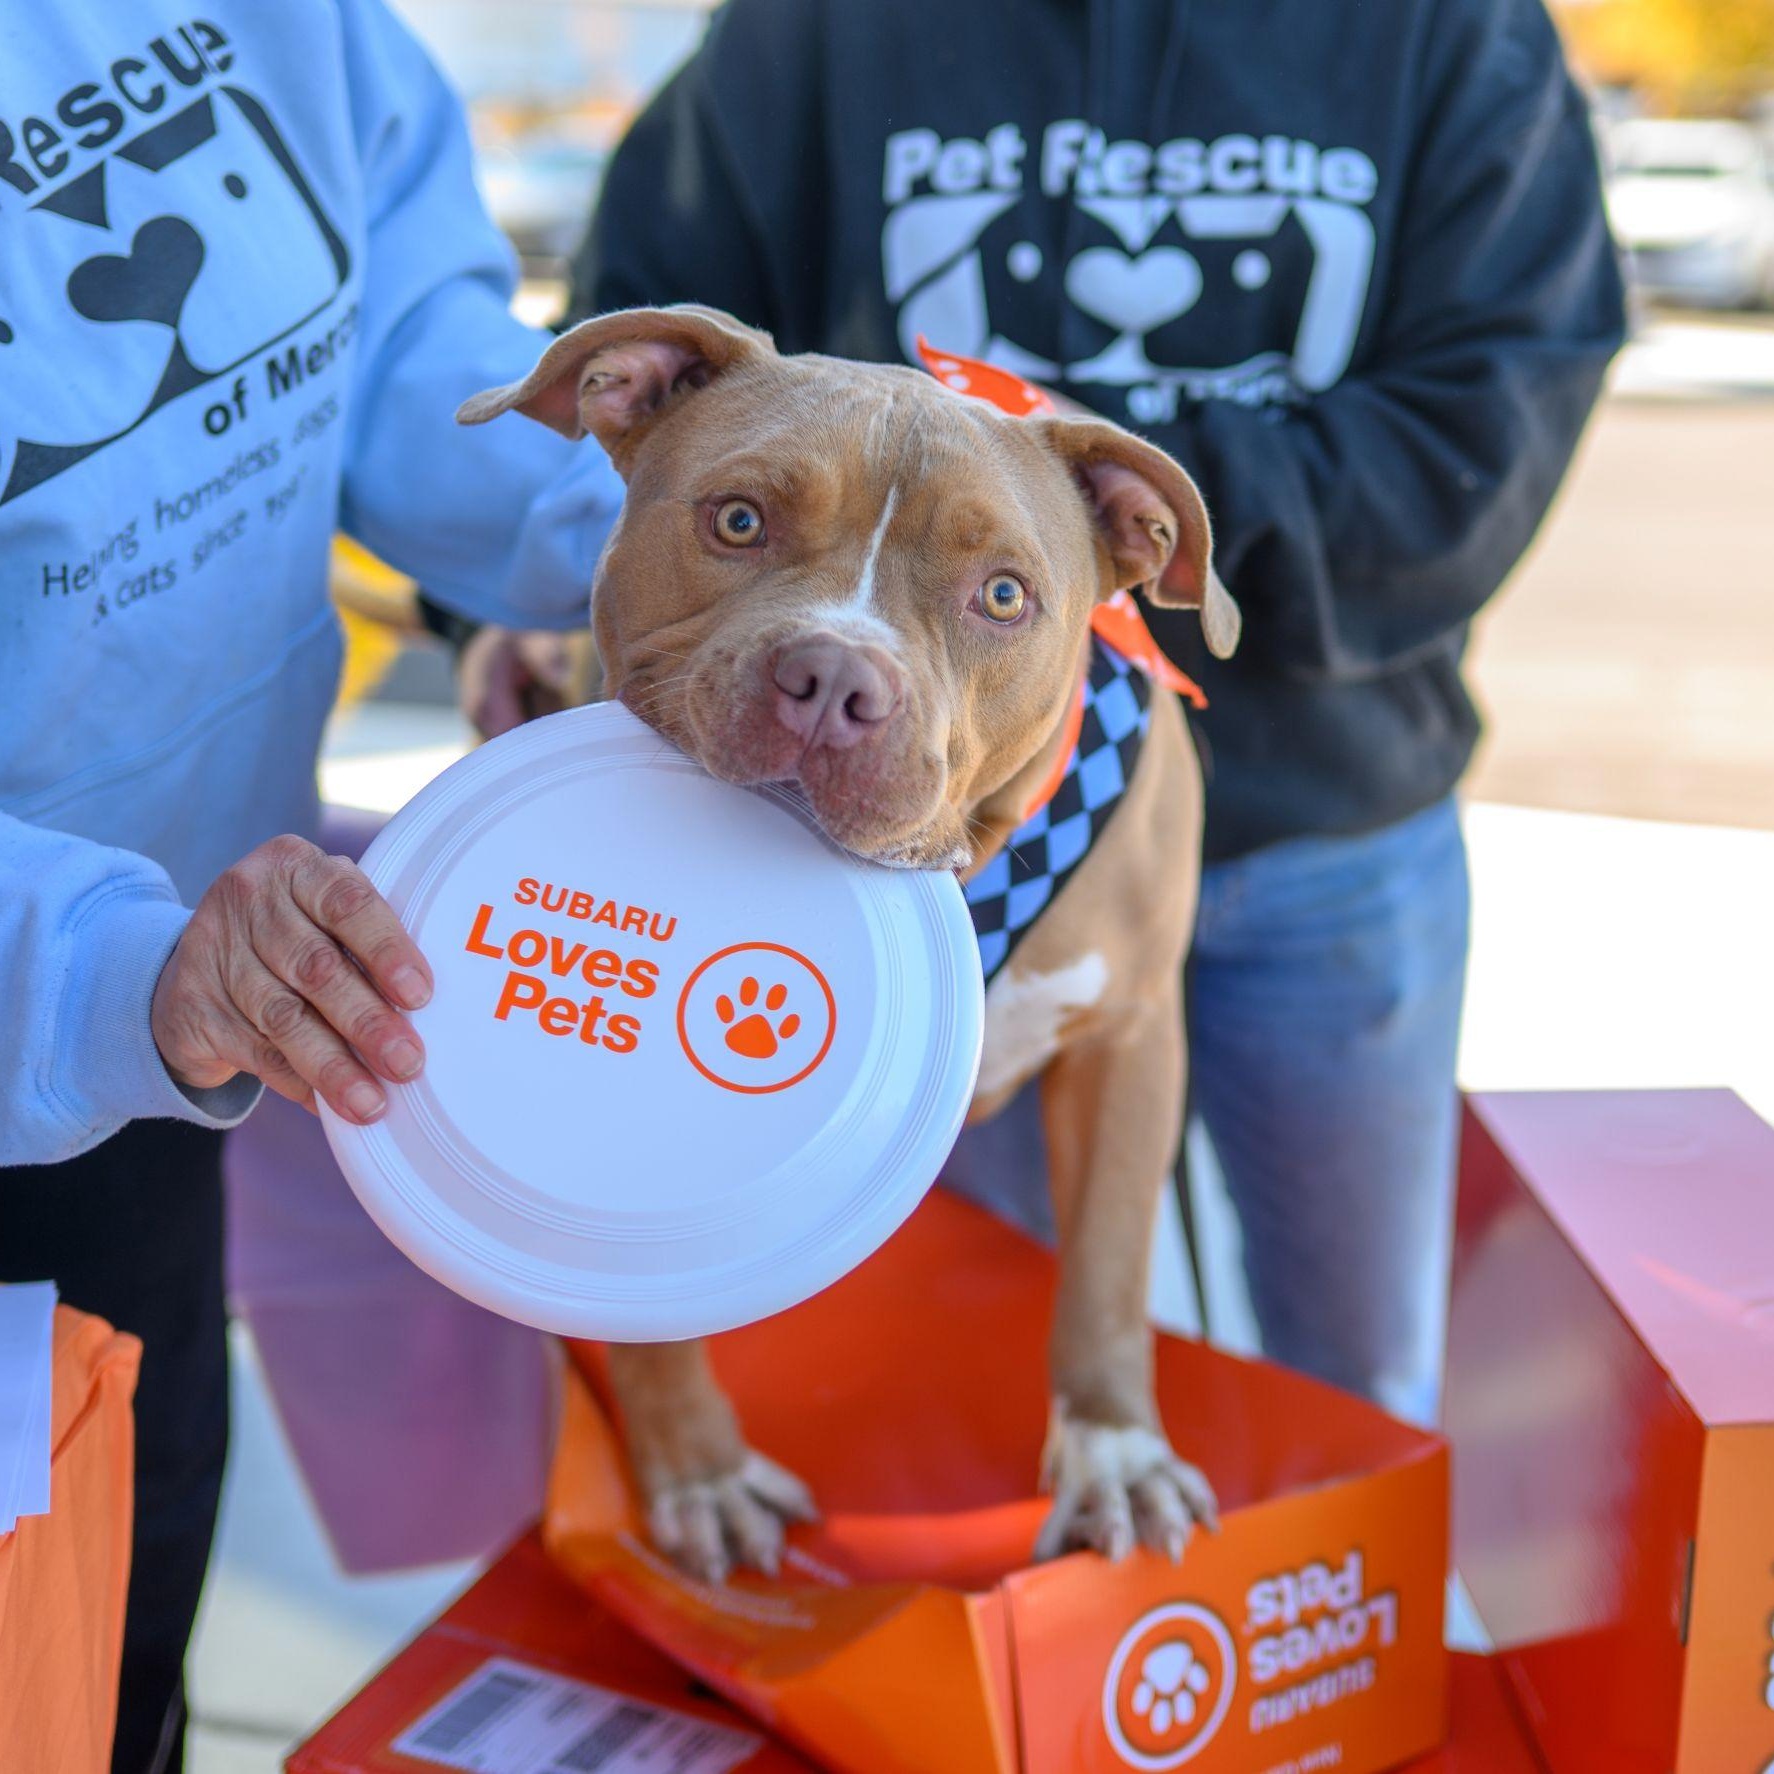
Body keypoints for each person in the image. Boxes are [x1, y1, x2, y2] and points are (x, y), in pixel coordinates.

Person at [564, 0, 1627, 1426]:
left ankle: (1332, 1624)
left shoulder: (1446, 29)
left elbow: (1489, 421)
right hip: (866, 843)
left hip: (1333, 817)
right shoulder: (812, 23)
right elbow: (646, 321)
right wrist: (952, 510)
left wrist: (1054, 511)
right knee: (949, 1364)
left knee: (1359, 1374)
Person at [0, 7, 618, 1769]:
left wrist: (664, 527)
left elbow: (395, 338)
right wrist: (122, 973)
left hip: (144, 1083)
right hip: (99, 1001)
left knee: (109, 1661)